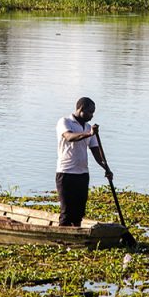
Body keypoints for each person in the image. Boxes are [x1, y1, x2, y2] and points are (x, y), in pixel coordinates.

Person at [55, 97, 112, 227]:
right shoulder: (65, 122)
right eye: (90, 112)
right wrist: (89, 134)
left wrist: (106, 168)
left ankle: (77, 238)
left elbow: (96, 152)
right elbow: (69, 137)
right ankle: (62, 242)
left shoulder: (87, 127)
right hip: (66, 173)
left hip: (82, 174)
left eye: (93, 113)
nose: (92, 116)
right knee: (67, 212)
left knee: (79, 213)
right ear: (81, 109)